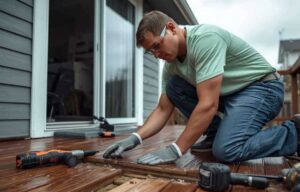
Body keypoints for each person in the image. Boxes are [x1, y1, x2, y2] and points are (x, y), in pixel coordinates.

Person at [103, 10, 300, 165]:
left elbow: (208, 104)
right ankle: (214, 133)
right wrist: (134, 139)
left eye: (156, 45)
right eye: (150, 51)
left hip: (263, 88)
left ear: (171, 28)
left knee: (226, 150)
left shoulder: (205, 39)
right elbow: (163, 109)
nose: (155, 54)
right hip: (232, 94)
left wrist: (177, 148)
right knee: (174, 87)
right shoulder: (171, 65)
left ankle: (295, 132)